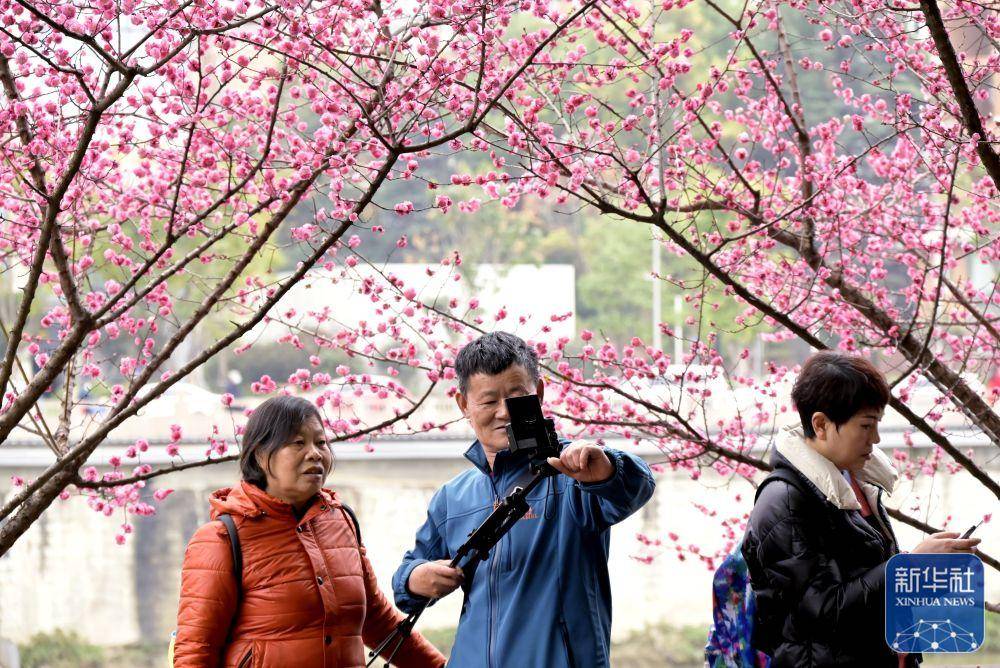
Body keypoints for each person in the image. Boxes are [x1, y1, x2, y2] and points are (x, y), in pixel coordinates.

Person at [392, 331, 656, 667]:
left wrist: (605, 468)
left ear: (539, 393)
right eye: (488, 401)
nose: (504, 413)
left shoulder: (573, 473)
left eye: (516, 397)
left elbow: (637, 485)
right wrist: (415, 579)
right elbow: (406, 584)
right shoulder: (453, 498)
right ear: (463, 405)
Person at [742, 352, 981, 667]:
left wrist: (931, 569)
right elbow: (819, 613)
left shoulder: (852, 481)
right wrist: (908, 567)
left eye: (877, 424)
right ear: (821, 424)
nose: (876, 439)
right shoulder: (785, 500)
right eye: (866, 426)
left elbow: (869, 591)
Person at [174, 395, 445, 668]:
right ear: (260, 454)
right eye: (298, 443)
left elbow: (376, 619)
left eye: (321, 442)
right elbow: (196, 651)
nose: (315, 453)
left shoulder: (341, 520)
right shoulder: (221, 538)